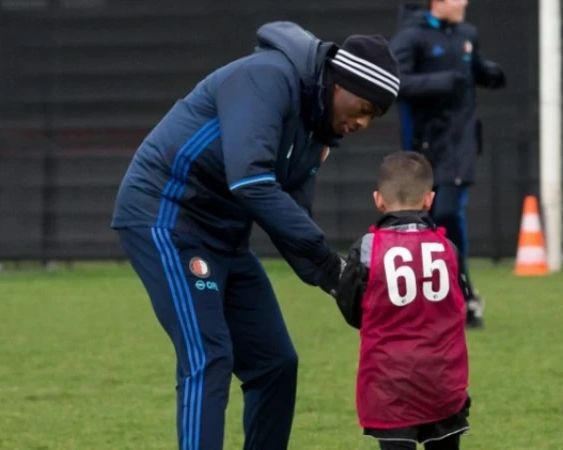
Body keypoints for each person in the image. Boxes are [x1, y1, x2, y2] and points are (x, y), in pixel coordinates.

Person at [110, 21, 400, 449]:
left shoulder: (315, 131)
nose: (363, 122)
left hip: (224, 236)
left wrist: (338, 281)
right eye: (363, 107)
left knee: (275, 364)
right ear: (340, 83)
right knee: (208, 357)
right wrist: (329, 263)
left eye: (374, 116)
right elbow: (250, 182)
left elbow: (291, 219)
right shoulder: (267, 77)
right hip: (166, 217)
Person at [332, 152, 472, 449]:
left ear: (378, 200)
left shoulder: (368, 248)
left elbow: (351, 308)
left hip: (389, 384)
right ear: (429, 200)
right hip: (443, 380)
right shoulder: (447, 247)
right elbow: (462, 300)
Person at [389, 0, 507, 329]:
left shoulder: (467, 34)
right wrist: (444, 81)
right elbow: (397, 83)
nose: (464, 2)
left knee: (445, 215)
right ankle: (429, 298)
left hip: (461, 147)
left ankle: (464, 296)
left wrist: (490, 73)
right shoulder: (411, 37)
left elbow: (474, 69)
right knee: (424, 222)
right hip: (425, 148)